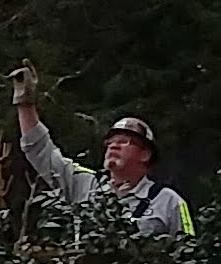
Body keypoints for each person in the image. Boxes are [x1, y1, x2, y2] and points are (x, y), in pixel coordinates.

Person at [10, 64, 193, 239]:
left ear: (146, 154)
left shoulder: (169, 201)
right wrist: (25, 104)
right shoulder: (87, 186)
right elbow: (41, 152)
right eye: (110, 143)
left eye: (123, 142)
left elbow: (190, 253)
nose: (113, 146)